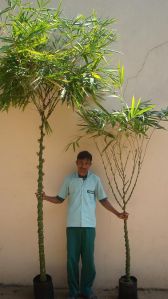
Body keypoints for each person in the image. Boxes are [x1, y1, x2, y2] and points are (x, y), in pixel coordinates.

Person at [42, 151, 128, 299]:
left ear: (90, 164)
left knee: (88, 260)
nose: (83, 166)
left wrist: (117, 213)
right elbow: (59, 198)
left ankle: (87, 290)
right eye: (81, 162)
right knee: (71, 260)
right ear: (76, 163)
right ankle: (73, 292)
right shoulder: (69, 179)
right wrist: (44, 197)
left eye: (86, 163)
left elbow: (103, 200)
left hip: (89, 227)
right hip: (73, 226)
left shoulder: (95, 180)